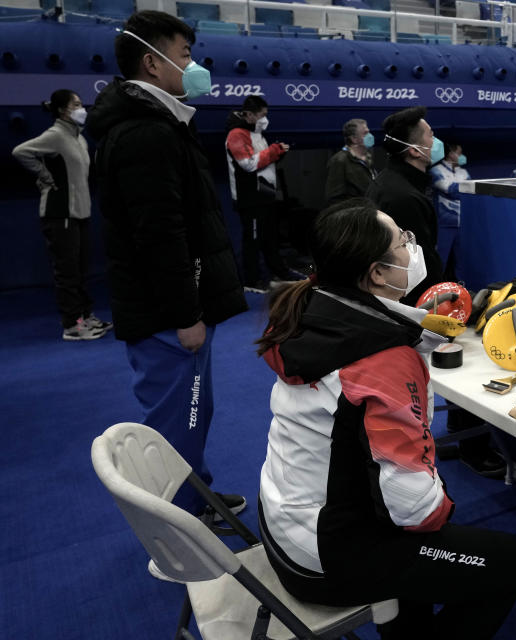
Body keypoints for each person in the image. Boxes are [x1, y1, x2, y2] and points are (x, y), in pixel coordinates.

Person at [255, 198, 516, 639]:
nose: (411, 245)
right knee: (510, 559)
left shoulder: (312, 304)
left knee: (414, 552)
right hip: (323, 556)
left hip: (283, 523)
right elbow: (415, 509)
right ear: (377, 274)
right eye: (402, 239)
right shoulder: (381, 359)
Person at [86, 10, 248, 557]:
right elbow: (160, 235)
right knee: (177, 418)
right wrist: (185, 314)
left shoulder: (159, 124)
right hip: (168, 316)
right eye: (184, 56)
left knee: (195, 413)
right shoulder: (143, 133)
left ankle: (194, 495)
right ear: (152, 64)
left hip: (176, 308)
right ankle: (178, 527)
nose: (193, 66)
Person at [12, 89, 112, 341]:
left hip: (80, 213)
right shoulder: (55, 135)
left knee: (80, 270)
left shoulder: (78, 138)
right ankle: (72, 325)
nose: (82, 108)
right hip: (59, 214)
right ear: (61, 110)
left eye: (81, 103)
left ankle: (85, 316)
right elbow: (20, 151)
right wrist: (45, 177)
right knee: (67, 273)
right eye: (75, 104)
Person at [366, 106, 443, 305]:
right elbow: (417, 265)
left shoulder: (390, 182)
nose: (436, 142)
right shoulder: (403, 197)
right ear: (414, 151)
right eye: (431, 136)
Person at [225, 95, 302, 294]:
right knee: (253, 240)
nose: (264, 119)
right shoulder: (236, 134)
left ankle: (278, 273)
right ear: (249, 114)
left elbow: (264, 161)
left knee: (269, 238)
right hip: (250, 199)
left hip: (265, 195)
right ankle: (252, 282)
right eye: (261, 115)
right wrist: (275, 150)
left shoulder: (257, 134)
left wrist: (278, 153)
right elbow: (249, 164)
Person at [429, 137, 469, 281]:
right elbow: (449, 189)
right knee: (440, 261)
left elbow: (469, 193)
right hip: (444, 224)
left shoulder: (463, 173)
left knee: (462, 262)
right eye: (459, 153)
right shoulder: (436, 171)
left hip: (463, 224)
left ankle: (463, 291)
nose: (461, 156)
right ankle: (435, 289)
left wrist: (459, 189)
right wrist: (462, 189)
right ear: (451, 153)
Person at [324, 117, 376, 207]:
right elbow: (334, 198)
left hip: (369, 213)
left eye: (369, 132)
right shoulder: (340, 161)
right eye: (365, 133)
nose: (370, 136)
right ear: (354, 139)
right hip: (355, 216)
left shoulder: (368, 158)